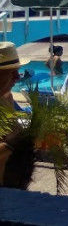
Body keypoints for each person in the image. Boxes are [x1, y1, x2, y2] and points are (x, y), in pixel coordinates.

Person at [0, 42, 32, 188]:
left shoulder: (6, 98)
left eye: (17, 71)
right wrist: (13, 143)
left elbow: (12, 130)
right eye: (11, 72)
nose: (17, 77)